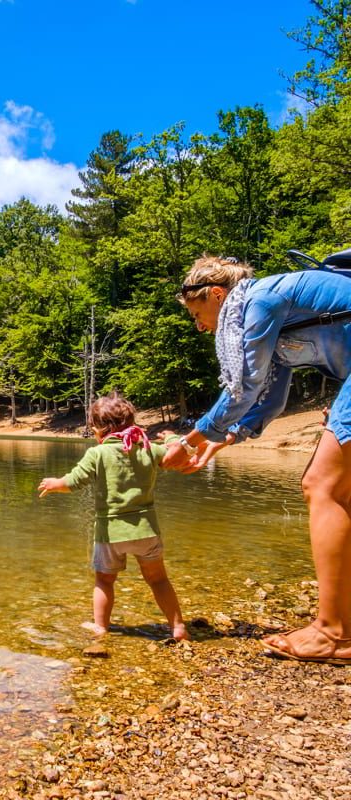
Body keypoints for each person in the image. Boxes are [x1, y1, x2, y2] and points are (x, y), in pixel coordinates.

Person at [165, 254, 351, 664]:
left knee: (323, 485)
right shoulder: (262, 313)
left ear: (217, 294)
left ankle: (334, 634)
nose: (199, 326)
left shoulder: (261, 300)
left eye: (198, 313)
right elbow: (270, 396)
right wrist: (223, 440)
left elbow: (241, 389)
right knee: (340, 491)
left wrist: (191, 440)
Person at [38, 393, 188, 641]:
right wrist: (171, 436)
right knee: (159, 579)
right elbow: (176, 454)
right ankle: (178, 627)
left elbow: (73, 482)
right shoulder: (148, 448)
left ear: (98, 428)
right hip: (146, 530)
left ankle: (101, 628)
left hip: (110, 534)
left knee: (104, 581)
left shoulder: (97, 454)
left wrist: (55, 483)